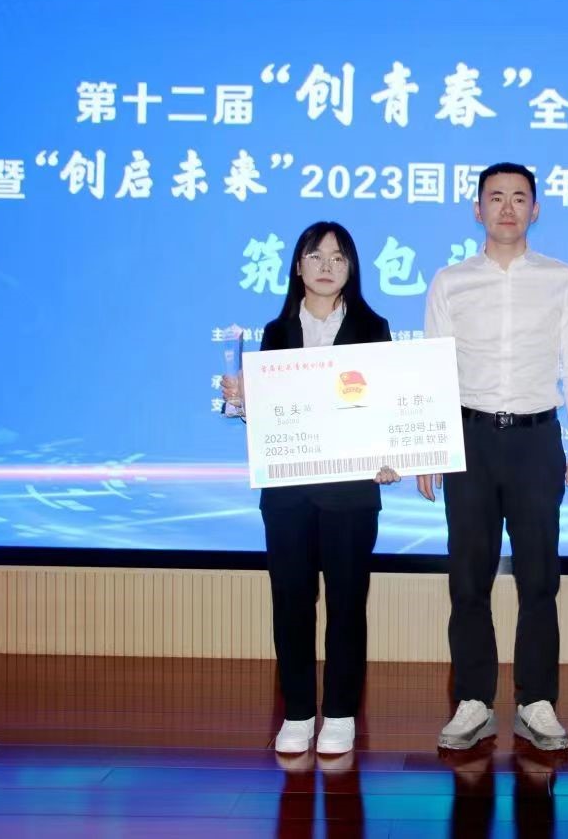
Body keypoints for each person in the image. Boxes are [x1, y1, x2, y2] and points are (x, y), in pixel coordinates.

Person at [418, 162, 568, 751]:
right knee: (468, 579)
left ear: (535, 209)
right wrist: (429, 445)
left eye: (520, 198)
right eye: (495, 197)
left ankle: (536, 701)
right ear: (477, 209)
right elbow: (434, 370)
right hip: (468, 439)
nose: (507, 208)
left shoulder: (561, 279)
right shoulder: (450, 282)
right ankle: (473, 700)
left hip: (536, 440)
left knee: (539, 577)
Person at [223, 221, 398, 755]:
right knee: (291, 602)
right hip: (288, 494)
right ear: (298, 266)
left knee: (347, 604)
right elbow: (271, 419)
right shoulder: (277, 332)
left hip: (350, 493)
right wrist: (243, 402)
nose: (326, 266)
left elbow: (389, 405)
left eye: (338, 257)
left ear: (351, 269)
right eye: (316, 256)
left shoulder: (373, 327)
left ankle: (340, 713)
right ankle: (298, 712)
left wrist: (393, 454)